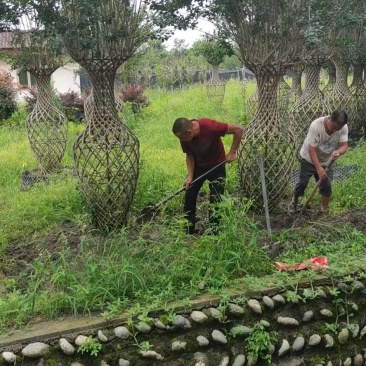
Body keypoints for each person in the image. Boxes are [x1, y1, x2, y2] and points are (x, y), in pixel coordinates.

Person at [172, 117, 244, 234]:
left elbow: (238, 129)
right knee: (189, 194)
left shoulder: (210, 126)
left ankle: (213, 231)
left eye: (180, 137)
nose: (180, 140)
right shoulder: (185, 137)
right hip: (199, 167)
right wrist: (190, 176)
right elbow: (189, 155)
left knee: (216, 198)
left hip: (217, 166)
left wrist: (232, 152)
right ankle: (189, 228)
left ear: (189, 132)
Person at [291, 110, 348, 214]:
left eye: (338, 129)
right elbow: (311, 149)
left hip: (326, 160)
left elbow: (344, 145)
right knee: (302, 183)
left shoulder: (343, 127)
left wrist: (338, 152)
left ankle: (323, 210)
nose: (335, 130)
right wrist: (318, 168)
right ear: (330, 119)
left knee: (326, 186)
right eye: (333, 127)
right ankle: (294, 203)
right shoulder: (316, 126)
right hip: (308, 158)